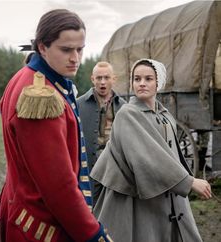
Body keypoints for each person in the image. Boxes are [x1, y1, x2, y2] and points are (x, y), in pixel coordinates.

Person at [0, 9, 113, 242]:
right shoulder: (39, 96)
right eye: (66, 49)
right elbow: (59, 188)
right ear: (42, 47)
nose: (75, 58)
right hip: (42, 226)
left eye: (80, 49)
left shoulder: (25, 76)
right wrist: (94, 235)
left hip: (22, 211)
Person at [90, 58, 212, 242]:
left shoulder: (164, 115)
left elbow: (175, 157)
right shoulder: (127, 114)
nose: (142, 84)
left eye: (148, 79)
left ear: (158, 83)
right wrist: (189, 182)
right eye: (137, 79)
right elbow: (147, 158)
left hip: (168, 194)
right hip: (137, 200)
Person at [77, 61, 126, 205]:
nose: (102, 82)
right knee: (89, 208)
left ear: (114, 79)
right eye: (99, 78)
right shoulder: (78, 104)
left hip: (115, 168)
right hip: (88, 170)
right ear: (93, 79)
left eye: (106, 77)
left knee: (113, 208)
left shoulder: (124, 107)